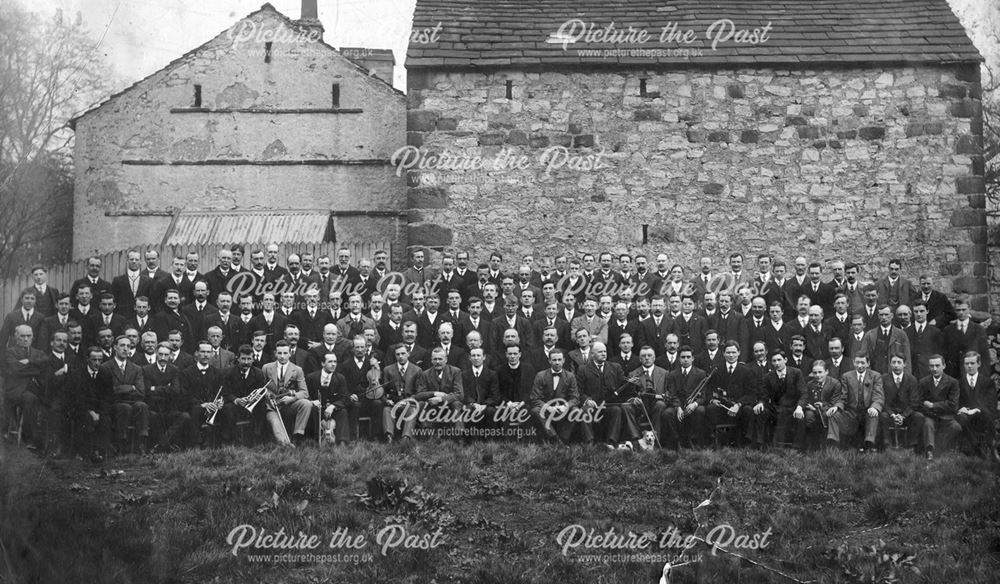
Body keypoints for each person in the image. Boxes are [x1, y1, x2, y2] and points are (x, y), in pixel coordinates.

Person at [706, 341, 761, 448]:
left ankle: (746, 442)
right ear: (723, 353)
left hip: (740, 406)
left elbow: (752, 393)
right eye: (728, 352)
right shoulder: (717, 370)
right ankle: (713, 441)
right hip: (722, 406)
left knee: (748, 411)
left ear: (739, 353)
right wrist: (712, 400)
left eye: (734, 352)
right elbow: (708, 389)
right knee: (710, 408)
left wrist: (738, 404)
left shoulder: (746, 371)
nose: (731, 355)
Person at [103, 334, 149, 454]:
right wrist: (130, 387)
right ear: (115, 348)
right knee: (125, 407)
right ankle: (120, 443)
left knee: (142, 406)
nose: (125, 349)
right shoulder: (106, 367)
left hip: (133, 402)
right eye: (122, 345)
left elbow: (141, 392)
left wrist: (121, 389)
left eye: (128, 346)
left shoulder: (136, 368)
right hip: (114, 404)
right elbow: (109, 392)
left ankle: (141, 443)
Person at [827, 354, 883, 452]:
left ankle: (869, 445)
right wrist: (836, 407)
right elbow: (843, 397)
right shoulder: (846, 376)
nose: (860, 365)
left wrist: (874, 407)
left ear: (868, 363)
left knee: (874, 414)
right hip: (852, 414)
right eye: (857, 362)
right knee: (833, 415)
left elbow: (878, 396)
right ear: (853, 363)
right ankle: (833, 445)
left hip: (867, 412)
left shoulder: (875, 376)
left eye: (863, 363)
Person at [261, 341, 311, 446]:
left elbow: (304, 392)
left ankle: (298, 435)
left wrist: (292, 399)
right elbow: (261, 389)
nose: (282, 356)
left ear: (290, 354)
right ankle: (285, 444)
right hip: (272, 406)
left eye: (285, 353)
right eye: (279, 353)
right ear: (275, 354)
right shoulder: (266, 368)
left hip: (289, 405)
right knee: (275, 422)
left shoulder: (297, 370)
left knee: (306, 404)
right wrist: (268, 396)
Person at [529, 349, 580, 443]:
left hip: (562, 410)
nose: (557, 363)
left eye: (559, 360)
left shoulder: (570, 376)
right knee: (535, 410)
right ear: (549, 361)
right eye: (554, 360)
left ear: (564, 360)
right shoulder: (541, 375)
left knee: (576, 411)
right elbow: (534, 398)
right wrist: (548, 407)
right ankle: (555, 439)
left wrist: (565, 406)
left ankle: (564, 439)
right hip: (547, 410)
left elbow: (575, 398)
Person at [916, 354, 961, 460]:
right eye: (931, 366)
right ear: (928, 367)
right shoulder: (923, 382)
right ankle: (929, 450)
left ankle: (941, 448)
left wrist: (933, 405)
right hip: (930, 416)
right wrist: (930, 411)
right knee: (928, 424)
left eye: (937, 365)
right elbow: (919, 403)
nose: (934, 369)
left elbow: (953, 405)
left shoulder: (953, 382)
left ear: (944, 366)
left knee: (956, 427)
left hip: (946, 417)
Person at [662, 346, 708, 449]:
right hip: (678, 404)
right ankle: (675, 441)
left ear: (693, 358)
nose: (686, 359)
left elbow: (704, 394)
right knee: (667, 413)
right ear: (679, 359)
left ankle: (694, 442)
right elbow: (672, 394)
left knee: (700, 411)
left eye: (688, 357)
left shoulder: (700, 373)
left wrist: (694, 404)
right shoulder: (672, 374)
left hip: (693, 404)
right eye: (683, 357)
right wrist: (678, 407)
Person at [956, 351, 997, 458]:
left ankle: (982, 447)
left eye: (972, 363)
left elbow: (991, 403)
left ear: (978, 364)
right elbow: (955, 402)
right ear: (964, 365)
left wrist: (977, 409)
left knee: (988, 417)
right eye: (967, 364)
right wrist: (961, 408)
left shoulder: (988, 383)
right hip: (965, 415)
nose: (969, 366)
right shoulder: (958, 383)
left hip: (982, 414)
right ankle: (977, 449)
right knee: (962, 418)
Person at [878, 353, 921, 452]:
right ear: (890, 364)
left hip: (906, 414)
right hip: (890, 413)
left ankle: (912, 446)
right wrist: (892, 414)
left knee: (918, 416)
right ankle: (887, 445)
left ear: (904, 364)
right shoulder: (883, 379)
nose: (896, 365)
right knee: (883, 416)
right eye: (893, 362)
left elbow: (914, 402)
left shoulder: (912, 379)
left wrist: (903, 416)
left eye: (899, 362)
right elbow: (882, 400)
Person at [798, 361, 843, 451]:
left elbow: (835, 401)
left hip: (828, 410)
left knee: (830, 416)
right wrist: (811, 406)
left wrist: (822, 405)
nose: (817, 375)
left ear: (826, 371)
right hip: (813, 411)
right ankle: (811, 446)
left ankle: (831, 446)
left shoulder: (835, 384)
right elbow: (807, 398)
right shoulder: (810, 384)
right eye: (815, 373)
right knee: (809, 416)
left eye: (820, 372)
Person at [765, 349, 805, 448]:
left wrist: (799, 407)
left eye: (779, 360)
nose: (777, 363)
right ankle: (770, 445)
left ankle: (797, 447)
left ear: (785, 360)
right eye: (774, 361)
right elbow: (765, 395)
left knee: (802, 417)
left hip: (793, 408)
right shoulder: (768, 376)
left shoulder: (796, 373)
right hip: (776, 409)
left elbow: (803, 393)